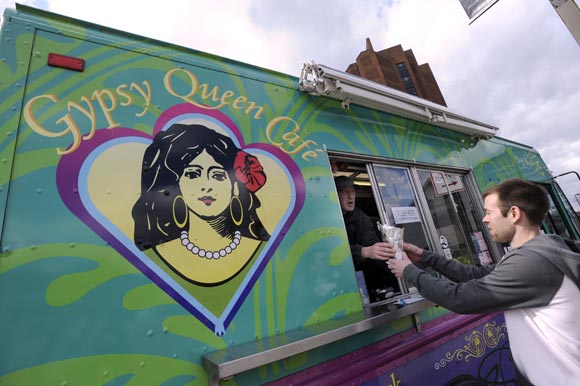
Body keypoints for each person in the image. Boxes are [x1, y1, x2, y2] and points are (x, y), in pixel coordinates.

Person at [387, 178, 580, 386]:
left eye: (489, 212)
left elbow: (460, 298)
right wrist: (426, 257)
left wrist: (408, 270)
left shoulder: (533, 262)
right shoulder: (534, 252)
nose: (485, 219)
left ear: (514, 214)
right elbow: (475, 275)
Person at [132, 123, 270, 285]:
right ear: (173, 185)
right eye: (192, 174)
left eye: (218, 176)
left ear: (235, 187)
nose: (207, 185)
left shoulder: (265, 251)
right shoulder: (148, 258)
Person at [334, 175, 398, 300]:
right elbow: (330, 250)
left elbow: (373, 248)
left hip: (360, 280)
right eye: (345, 192)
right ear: (335, 195)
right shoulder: (325, 219)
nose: (351, 196)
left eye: (352, 191)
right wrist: (362, 251)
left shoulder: (361, 218)